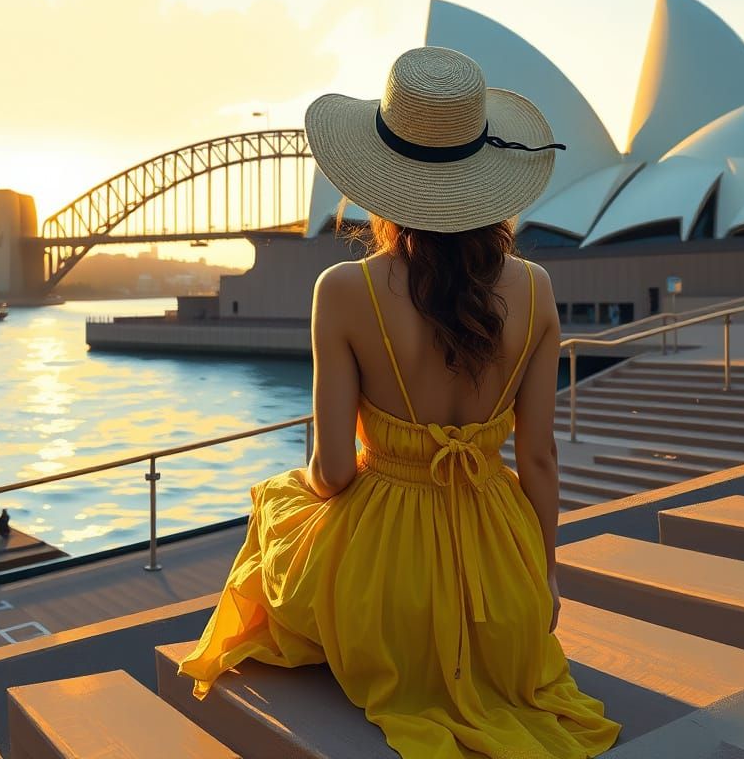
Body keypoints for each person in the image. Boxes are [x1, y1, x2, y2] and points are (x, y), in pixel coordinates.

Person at [177, 47, 622, 757]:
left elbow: (334, 472)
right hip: (500, 594)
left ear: (381, 177)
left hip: (383, 595)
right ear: (486, 178)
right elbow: (537, 459)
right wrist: (542, 582)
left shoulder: (344, 292)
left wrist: (313, 493)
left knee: (278, 506)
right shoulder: (538, 291)